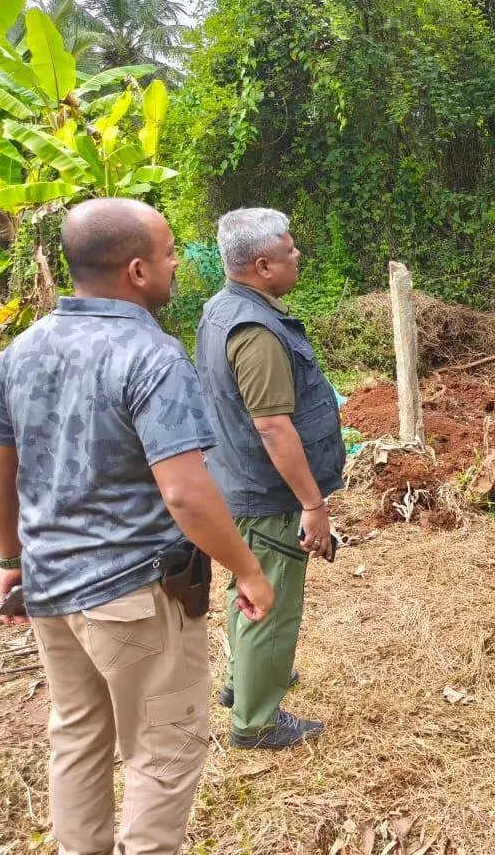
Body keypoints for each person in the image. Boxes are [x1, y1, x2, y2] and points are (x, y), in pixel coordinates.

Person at [0, 198, 275, 855]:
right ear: (137, 270)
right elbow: (186, 495)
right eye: (170, 253)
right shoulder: (151, 356)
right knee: (162, 752)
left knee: (78, 737)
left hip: (53, 594)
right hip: (133, 598)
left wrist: (12, 560)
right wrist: (249, 570)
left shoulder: (23, 351)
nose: (177, 264)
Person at [194, 207, 346, 750]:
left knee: (246, 585)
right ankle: (257, 721)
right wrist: (313, 503)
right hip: (265, 491)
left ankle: (244, 682)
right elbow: (274, 428)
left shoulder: (220, 309)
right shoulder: (256, 331)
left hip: (234, 479)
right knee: (271, 602)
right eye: (289, 250)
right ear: (262, 265)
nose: (297, 255)